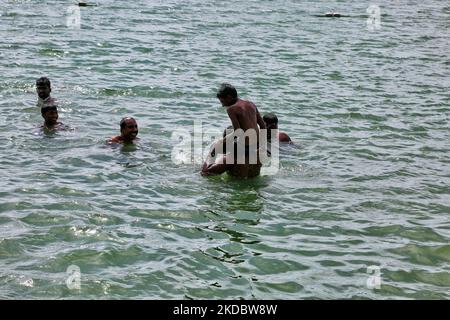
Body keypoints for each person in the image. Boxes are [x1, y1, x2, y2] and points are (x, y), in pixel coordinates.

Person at [201, 83, 267, 178]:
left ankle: (210, 159)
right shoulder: (251, 104)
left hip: (243, 148)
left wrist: (220, 142)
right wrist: (262, 145)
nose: (223, 105)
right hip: (255, 146)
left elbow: (237, 132)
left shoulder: (231, 109)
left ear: (229, 97)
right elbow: (263, 126)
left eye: (222, 101)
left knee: (215, 149)